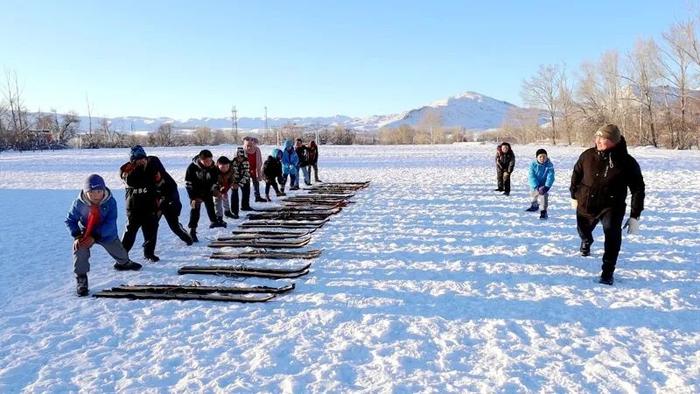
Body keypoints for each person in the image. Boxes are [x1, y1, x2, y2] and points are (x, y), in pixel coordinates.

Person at [570, 124, 645, 285]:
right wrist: (573, 195)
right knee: (583, 230)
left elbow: (638, 189)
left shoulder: (627, 162)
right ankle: (586, 241)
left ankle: (607, 272)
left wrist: (635, 215)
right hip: (586, 202)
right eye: (597, 137)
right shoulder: (587, 155)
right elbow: (576, 174)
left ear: (614, 141)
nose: (598, 141)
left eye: (602, 138)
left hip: (612, 206)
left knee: (612, 234)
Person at [65, 174, 141, 296]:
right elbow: (70, 220)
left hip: (106, 233)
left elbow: (111, 223)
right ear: (86, 192)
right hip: (86, 232)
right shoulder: (79, 203)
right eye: (92, 192)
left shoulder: (110, 202)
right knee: (79, 249)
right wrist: (77, 236)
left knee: (120, 252)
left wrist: (95, 237)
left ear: (104, 190)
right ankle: (81, 278)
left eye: (99, 191)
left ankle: (125, 263)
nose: (96, 195)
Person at [119, 145, 160, 262]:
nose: (142, 161)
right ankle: (122, 257)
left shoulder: (151, 168)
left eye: (144, 158)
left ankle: (149, 253)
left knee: (151, 230)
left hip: (149, 205)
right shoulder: (126, 169)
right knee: (130, 233)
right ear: (133, 160)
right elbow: (131, 180)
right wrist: (141, 170)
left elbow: (157, 181)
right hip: (134, 207)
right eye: (139, 159)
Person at [149, 155, 193, 246]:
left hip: (168, 205)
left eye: (157, 174)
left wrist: (174, 209)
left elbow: (175, 198)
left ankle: (188, 239)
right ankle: (149, 250)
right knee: (151, 226)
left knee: (175, 226)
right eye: (153, 175)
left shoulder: (169, 182)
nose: (155, 176)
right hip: (155, 205)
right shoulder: (146, 180)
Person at [185, 149, 222, 242]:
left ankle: (214, 221)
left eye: (210, 160)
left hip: (207, 191)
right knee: (195, 211)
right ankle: (192, 231)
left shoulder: (213, 167)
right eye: (206, 161)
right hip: (195, 192)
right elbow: (188, 184)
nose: (208, 163)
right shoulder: (192, 167)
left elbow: (215, 181)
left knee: (210, 206)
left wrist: (215, 189)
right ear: (200, 160)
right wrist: (193, 197)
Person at [526, 148, 555, 219]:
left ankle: (543, 212)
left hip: (544, 185)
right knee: (534, 195)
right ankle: (534, 206)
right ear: (537, 158)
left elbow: (550, 176)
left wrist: (547, 186)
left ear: (546, 157)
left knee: (544, 196)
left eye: (544, 157)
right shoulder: (532, 165)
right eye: (540, 157)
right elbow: (531, 176)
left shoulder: (549, 165)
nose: (542, 158)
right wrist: (536, 186)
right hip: (535, 185)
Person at [214, 155, 238, 220]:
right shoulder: (214, 172)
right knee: (218, 199)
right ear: (218, 165)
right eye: (222, 167)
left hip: (225, 184)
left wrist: (225, 191)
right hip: (215, 187)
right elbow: (215, 184)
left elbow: (231, 180)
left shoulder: (231, 170)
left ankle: (227, 211)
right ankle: (219, 216)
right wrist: (220, 191)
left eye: (227, 166)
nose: (225, 169)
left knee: (225, 196)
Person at [243, 136, 266, 203]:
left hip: (255, 168)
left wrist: (257, 169)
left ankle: (257, 197)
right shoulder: (243, 150)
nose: (249, 147)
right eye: (247, 145)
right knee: (246, 185)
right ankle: (246, 201)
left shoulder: (257, 150)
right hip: (246, 170)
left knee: (256, 183)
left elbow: (259, 159)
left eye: (250, 145)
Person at [231, 146, 251, 212]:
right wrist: (233, 183)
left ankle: (245, 206)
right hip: (235, 180)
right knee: (234, 194)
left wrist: (240, 184)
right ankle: (234, 211)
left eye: (241, 157)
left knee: (246, 192)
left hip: (245, 180)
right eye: (238, 157)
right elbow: (231, 173)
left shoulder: (246, 162)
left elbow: (247, 174)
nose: (240, 158)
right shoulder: (232, 163)